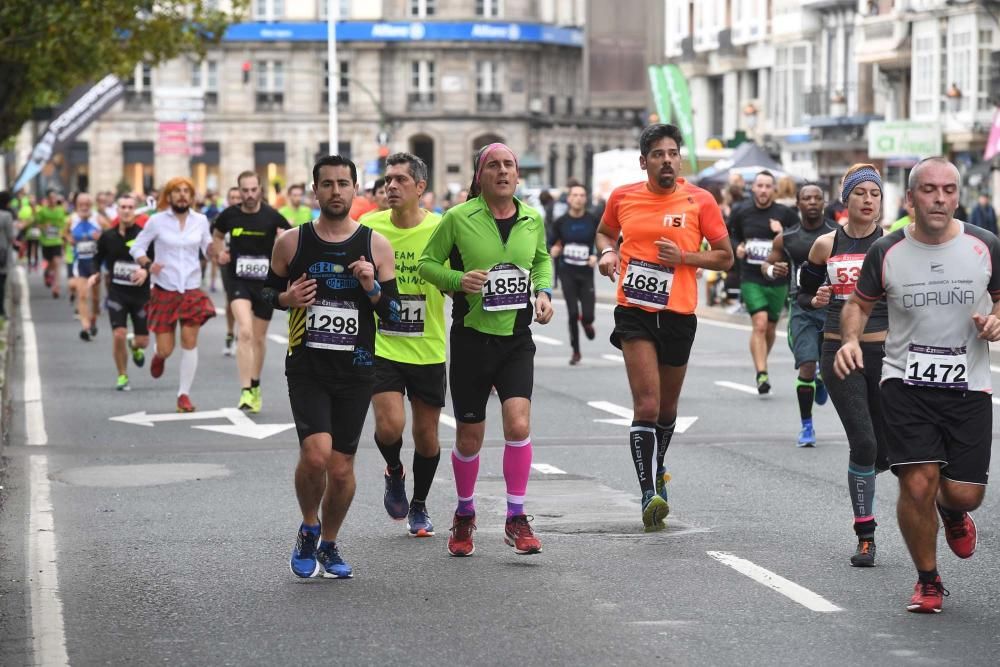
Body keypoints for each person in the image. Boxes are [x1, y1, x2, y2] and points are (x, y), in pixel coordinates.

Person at [835, 157, 1000, 613]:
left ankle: (953, 511)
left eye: (949, 189)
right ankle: (928, 579)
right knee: (917, 482)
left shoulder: (985, 244)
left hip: (968, 384)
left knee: (967, 492)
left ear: (958, 196)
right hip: (905, 382)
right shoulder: (886, 250)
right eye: (929, 190)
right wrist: (849, 339)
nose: (940, 198)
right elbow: (858, 305)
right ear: (910, 199)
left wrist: (996, 321)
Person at [595, 124, 733, 531]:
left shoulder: (700, 200)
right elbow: (605, 231)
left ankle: (657, 471)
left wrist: (686, 258)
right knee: (648, 405)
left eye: (673, 153)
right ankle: (647, 493)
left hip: (678, 313)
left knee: (668, 410)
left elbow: (725, 258)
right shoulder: (623, 197)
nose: (667, 160)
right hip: (634, 310)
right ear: (644, 161)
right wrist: (607, 252)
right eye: (658, 154)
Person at [269, 155, 401, 579]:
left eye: (344, 184)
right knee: (316, 453)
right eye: (327, 184)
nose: (336, 191)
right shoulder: (292, 242)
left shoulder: (375, 245)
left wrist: (372, 287)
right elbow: (262, 296)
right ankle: (309, 526)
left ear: (356, 189)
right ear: (316, 191)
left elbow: (395, 314)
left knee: (342, 467)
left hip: (358, 367)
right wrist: (285, 300)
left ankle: (328, 542)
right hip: (307, 364)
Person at [419, 142, 554, 557]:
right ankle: (464, 513)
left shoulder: (532, 218)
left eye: (508, 165)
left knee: (518, 424)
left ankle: (516, 516)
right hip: (472, 338)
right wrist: (459, 280)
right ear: (480, 176)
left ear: (517, 174)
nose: (502, 171)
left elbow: (542, 259)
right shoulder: (457, 218)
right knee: (469, 436)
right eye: (493, 165)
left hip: (516, 339)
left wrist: (543, 291)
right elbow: (427, 264)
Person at [798, 163, 889, 567]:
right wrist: (816, 300)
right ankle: (865, 535)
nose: (868, 200)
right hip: (838, 351)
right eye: (861, 193)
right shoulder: (825, 245)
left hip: (888, 356)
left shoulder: (894, 245)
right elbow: (804, 294)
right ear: (846, 199)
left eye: (875, 194)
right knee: (864, 443)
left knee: (891, 451)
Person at [360, 152, 445, 537]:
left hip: (428, 347)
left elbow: (457, 280)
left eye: (400, 180)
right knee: (390, 426)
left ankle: (420, 504)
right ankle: (394, 469)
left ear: (420, 188)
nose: (390, 186)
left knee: (426, 437)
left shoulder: (442, 229)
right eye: (387, 180)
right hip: (384, 344)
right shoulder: (368, 227)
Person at [130, 177, 216, 413]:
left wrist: (215, 250)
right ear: (169, 196)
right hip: (164, 288)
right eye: (177, 191)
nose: (182, 195)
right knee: (167, 348)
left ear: (192, 196)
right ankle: (159, 355)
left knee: (189, 342)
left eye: (186, 191)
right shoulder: (156, 221)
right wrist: (148, 264)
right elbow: (136, 247)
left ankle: (183, 395)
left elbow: (207, 250)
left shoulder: (200, 221)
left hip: (190, 288)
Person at [762, 184, 836, 446]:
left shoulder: (836, 235)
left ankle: (823, 377)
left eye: (818, 197)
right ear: (798, 203)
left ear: (824, 202)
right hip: (802, 307)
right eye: (807, 198)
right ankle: (807, 427)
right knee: (806, 364)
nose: (813, 202)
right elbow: (767, 265)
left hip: (832, 306)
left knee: (829, 368)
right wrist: (774, 271)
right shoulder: (787, 238)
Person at [213, 171, 291, 412]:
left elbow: (292, 240)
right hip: (239, 281)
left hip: (265, 285)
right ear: (239, 190)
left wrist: (282, 241)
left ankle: (255, 384)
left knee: (258, 338)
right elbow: (217, 235)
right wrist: (219, 253)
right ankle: (246, 390)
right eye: (244, 190)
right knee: (245, 332)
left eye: (253, 190)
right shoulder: (229, 215)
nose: (248, 195)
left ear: (260, 189)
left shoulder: (272, 216)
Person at [729, 170, 801, 394]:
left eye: (768, 186)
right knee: (759, 324)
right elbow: (729, 233)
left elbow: (800, 238)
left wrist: (784, 232)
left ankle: (762, 361)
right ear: (753, 188)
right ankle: (762, 373)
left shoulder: (785, 214)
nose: (763, 190)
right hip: (751, 277)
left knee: (770, 327)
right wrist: (737, 246)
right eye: (759, 186)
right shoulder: (741, 211)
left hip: (777, 278)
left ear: (774, 190)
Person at [89, 195, 150, 391]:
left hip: (140, 295)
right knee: (119, 334)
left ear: (135, 210)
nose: (126, 210)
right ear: (117, 210)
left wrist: (145, 269)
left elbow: (155, 259)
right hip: (117, 293)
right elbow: (97, 258)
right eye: (122, 207)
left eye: (130, 207)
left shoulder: (144, 235)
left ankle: (136, 347)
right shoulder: (108, 236)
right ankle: (122, 375)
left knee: (143, 341)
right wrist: (95, 273)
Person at [550, 183, 599, 364]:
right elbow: (550, 242)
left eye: (582, 195)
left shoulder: (592, 220)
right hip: (567, 272)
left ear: (585, 199)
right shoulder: (561, 222)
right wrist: (553, 249)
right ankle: (576, 351)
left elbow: (601, 240)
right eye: (575, 195)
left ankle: (586, 322)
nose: (578, 198)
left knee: (588, 315)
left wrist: (596, 255)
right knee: (571, 313)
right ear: (569, 199)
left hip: (586, 272)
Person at [64, 193, 102, 340]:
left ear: (91, 205)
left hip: (96, 263)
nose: (84, 207)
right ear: (77, 205)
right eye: (81, 205)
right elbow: (64, 232)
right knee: (83, 294)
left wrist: (101, 237)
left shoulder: (98, 219)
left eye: (87, 204)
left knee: (96, 299)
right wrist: (69, 239)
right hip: (80, 262)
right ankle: (85, 327)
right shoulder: (71, 220)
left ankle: (93, 319)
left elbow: (113, 230)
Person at [218, 186, 242, 356]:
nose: (234, 200)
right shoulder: (223, 218)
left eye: (237, 197)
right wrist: (219, 253)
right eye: (231, 197)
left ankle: (242, 335)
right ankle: (229, 332)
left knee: (245, 301)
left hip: (246, 263)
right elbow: (214, 238)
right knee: (230, 299)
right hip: (228, 264)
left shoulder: (250, 217)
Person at [36, 190, 67, 298]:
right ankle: (47, 272)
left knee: (57, 262)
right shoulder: (42, 211)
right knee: (50, 262)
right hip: (46, 241)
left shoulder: (60, 210)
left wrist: (63, 234)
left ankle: (56, 287)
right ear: (48, 200)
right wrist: (44, 226)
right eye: (51, 198)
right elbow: (38, 224)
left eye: (55, 198)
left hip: (57, 241)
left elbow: (64, 224)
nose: (53, 200)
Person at [0, 192, 17, 316]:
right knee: (2, 282)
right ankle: (1, 310)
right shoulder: (6, 216)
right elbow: (11, 236)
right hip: (2, 253)